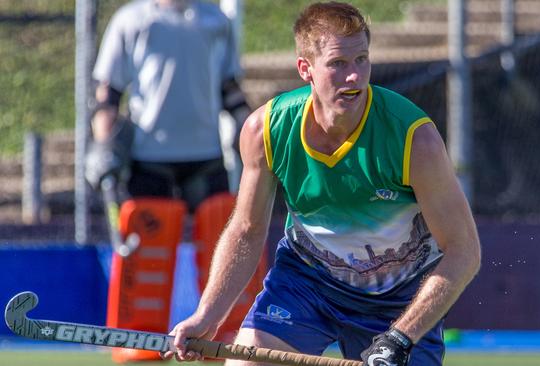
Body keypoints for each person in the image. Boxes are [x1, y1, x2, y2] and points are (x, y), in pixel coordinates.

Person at [163, 2, 481, 365]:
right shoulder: (265, 130)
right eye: (338, 64)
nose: (354, 78)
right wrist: (208, 315)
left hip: (399, 299)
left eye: (362, 59)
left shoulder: (414, 139)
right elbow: (247, 230)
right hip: (307, 283)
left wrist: (400, 336)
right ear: (306, 69)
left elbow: (463, 251)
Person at [85, 0, 264, 363]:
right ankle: (139, 339)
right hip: (149, 159)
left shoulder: (215, 19)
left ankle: (228, 333)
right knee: (147, 248)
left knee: (223, 243)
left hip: (207, 156)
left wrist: (259, 134)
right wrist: (104, 145)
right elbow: (108, 95)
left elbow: (230, 91)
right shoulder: (131, 20)